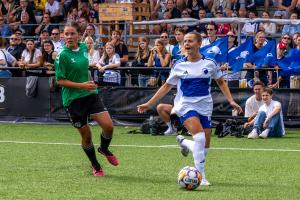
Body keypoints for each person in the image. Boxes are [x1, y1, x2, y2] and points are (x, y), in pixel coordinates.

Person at [137, 32, 243, 186]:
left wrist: (231, 100)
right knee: (199, 137)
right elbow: (166, 86)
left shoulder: (210, 63)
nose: (187, 44)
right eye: (185, 41)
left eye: (190, 41)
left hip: (205, 106)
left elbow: (220, 82)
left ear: (199, 44)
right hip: (185, 105)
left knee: (205, 146)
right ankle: (201, 176)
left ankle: (185, 143)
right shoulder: (179, 65)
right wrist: (149, 103)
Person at [54, 22, 119, 177]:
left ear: (78, 35)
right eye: (66, 34)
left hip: (90, 94)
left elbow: (82, 65)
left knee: (108, 126)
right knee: (87, 136)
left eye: (72, 33)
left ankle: (104, 149)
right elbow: (60, 81)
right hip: (73, 100)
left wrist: (95, 64)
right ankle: (96, 165)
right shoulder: (62, 55)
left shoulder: (84, 47)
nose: (69, 37)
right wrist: (82, 85)